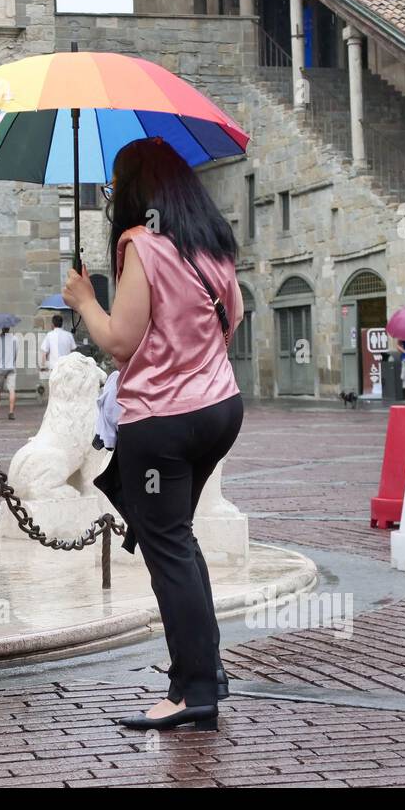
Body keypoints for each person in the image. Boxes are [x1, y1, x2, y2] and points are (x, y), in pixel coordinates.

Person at [63, 136, 244, 733]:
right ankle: (205, 671)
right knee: (178, 541)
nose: (115, 197)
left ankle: (194, 689)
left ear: (137, 190)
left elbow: (118, 340)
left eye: (117, 186)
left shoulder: (141, 244)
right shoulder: (212, 247)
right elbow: (232, 320)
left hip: (162, 420)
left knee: (166, 550)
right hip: (220, 408)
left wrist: (85, 300)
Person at [0, 325, 17, 420]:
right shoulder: (15, 338)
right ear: (9, 328)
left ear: (1, 328)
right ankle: (11, 412)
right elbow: (15, 353)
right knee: (12, 390)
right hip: (11, 367)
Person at [39, 314, 77, 381]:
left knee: (54, 390)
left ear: (52, 324)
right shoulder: (69, 335)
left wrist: (43, 366)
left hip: (54, 368)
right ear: (62, 324)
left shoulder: (49, 335)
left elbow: (44, 353)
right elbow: (73, 351)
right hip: (66, 368)